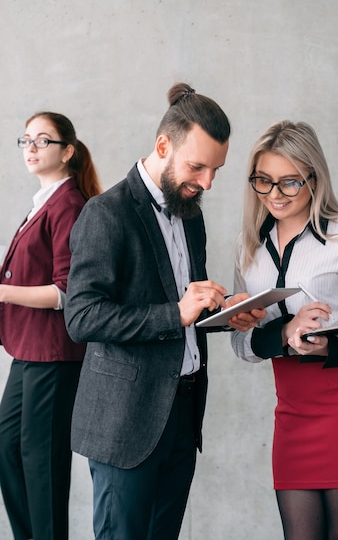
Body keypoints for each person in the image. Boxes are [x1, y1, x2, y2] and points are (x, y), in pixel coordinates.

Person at [64, 83, 261, 540]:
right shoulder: (105, 213)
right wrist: (175, 313)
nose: (208, 182)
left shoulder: (190, 212)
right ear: (162, 146)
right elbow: (82, 317)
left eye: (216, 170)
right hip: (125, 422)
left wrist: (223, 311)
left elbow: (188, 307)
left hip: (183, 410)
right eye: (198, 167)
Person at [230, 120, 338, 540]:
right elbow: (243, 344)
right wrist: (283, 331)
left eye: (289, 182)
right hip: (291, 410)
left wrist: (328, 347)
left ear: (314, 179)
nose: (275, 195)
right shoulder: (248, 248)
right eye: (263, 182)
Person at [0, 112, 101, 540]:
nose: (32, 148)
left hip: (54, 354)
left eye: (44, 140)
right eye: (26, 141)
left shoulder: (70, 204)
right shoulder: (44, 202)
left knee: (42, 462)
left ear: (68, 151)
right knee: (10, 451)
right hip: (29, 351)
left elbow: (65, 292)